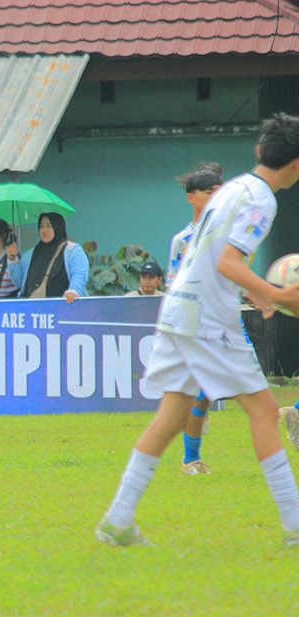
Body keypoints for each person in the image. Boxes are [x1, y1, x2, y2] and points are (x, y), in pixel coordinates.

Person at [97, 112, 299, 547]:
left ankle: (118, 520)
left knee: (171, 415)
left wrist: (260, 294)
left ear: (260, 152)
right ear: (296, 164)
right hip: (208, 316)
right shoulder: (263, 200)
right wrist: (277, 294)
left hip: (178, 307)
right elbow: (229, 261)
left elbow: (209, 254)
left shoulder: (233, 189)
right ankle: (295, 528)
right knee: (264, 412)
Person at [167, 164, 223, 475]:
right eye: (210, 192)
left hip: (226, 321)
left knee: (252, 388)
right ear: (192, 198)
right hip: (195, 323)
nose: (217, 197)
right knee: (203, 393)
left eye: (220, 192)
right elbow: (172, 284)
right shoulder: (182, 240)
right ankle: (191, 459)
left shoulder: (227, 233)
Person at [19, 212, 89, 302]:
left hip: (64, 307)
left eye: (49, 226)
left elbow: (79, 274)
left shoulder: (73, 250)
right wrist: (12, 261)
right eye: (41, 226)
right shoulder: (31, 254)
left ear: (58, 227)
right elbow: (21, 281)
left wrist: (73, 291)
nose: (44, 230)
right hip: (34, 310)